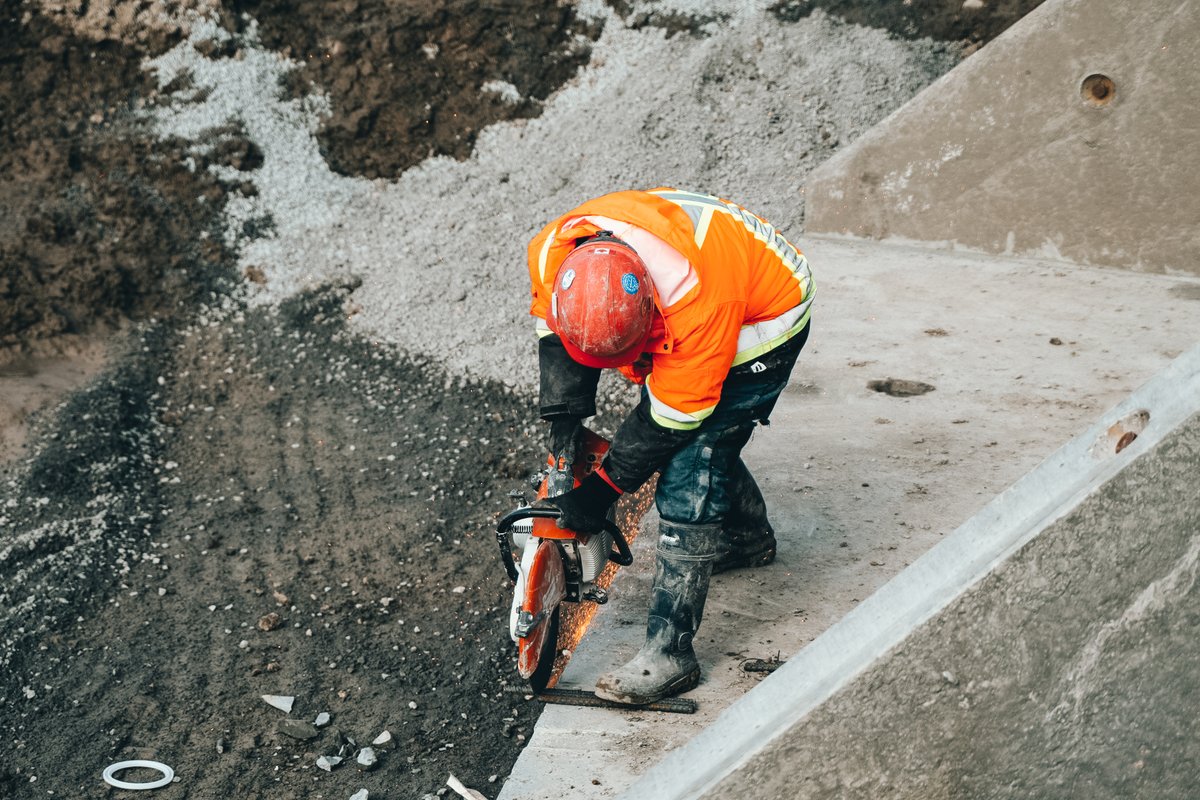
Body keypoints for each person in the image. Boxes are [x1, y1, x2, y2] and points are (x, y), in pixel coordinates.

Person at [526, 188, 813, 705]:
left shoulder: (697, 304)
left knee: (694, 461)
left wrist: (597, 495)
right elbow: (558, 339)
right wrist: (563, 437)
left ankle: (671, 654)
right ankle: (749, 540)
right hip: (713, 276)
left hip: (763, 321)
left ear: (651, 313)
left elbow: (671, 418)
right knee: (707, 446)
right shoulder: (554, 252)